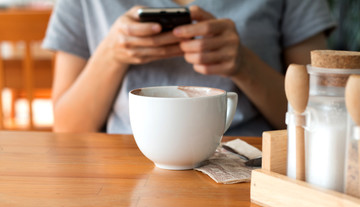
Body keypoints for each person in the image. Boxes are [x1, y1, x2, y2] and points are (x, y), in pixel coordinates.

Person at [42, 0, 336, 136]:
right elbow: (67, 128)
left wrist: (244, 65)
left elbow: (325, 115)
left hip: (251, 162)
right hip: (125, 162)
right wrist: (111, 56)